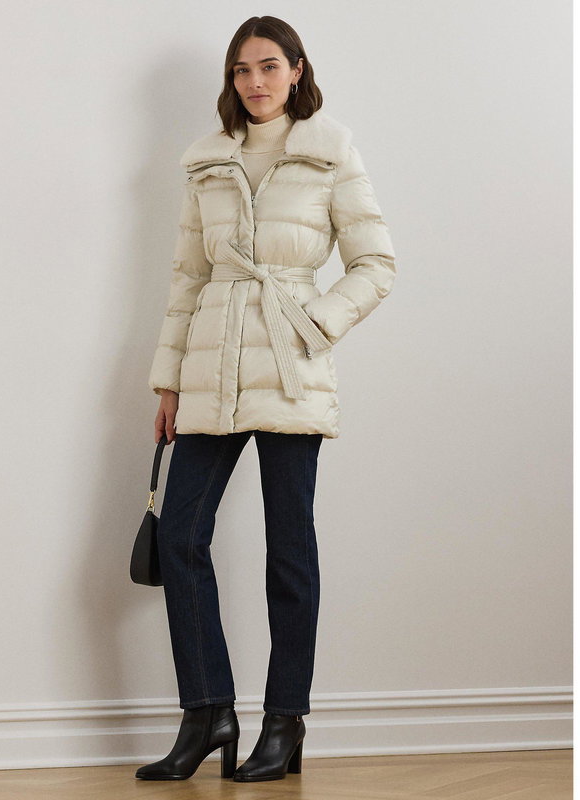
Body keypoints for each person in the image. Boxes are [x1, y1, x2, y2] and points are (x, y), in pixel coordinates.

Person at [136, 15, 396, 783]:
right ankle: (207, 712)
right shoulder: (207, 161)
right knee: (180, 538)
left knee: (289, 550)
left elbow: (376, 263)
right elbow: (188, 277)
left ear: (296, 70)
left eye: (269, 66)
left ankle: (285, 722)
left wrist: (315, 323)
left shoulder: (329, 151)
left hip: (289, 367)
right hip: (210, 366)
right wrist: (169, 380)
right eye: (242, 70)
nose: (255, 82)